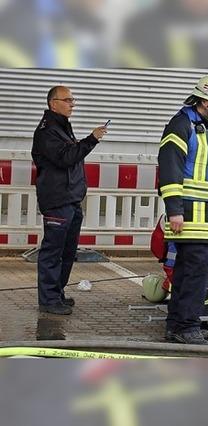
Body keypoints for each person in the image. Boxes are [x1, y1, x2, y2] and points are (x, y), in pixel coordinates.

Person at [157, 75, 208, 345]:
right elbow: (170, 168)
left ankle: (178, 324)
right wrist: (174, 211)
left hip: (203, 217)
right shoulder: (182, 125)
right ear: (204, 101)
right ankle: (187, 326)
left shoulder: (207, 128)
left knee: (186, 272)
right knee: (195, 272)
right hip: (189, 216)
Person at [32, 85, 107, 314]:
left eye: (73, 100)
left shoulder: (63, 128)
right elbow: (66, 158)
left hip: (71, 200)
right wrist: (91, 139)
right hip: (57, 201)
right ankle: (48, 300)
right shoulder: (47, 132)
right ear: (53, 103)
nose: (72, 104)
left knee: (67, 252)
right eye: (67, 100)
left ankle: (58, 293)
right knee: (53, 252)